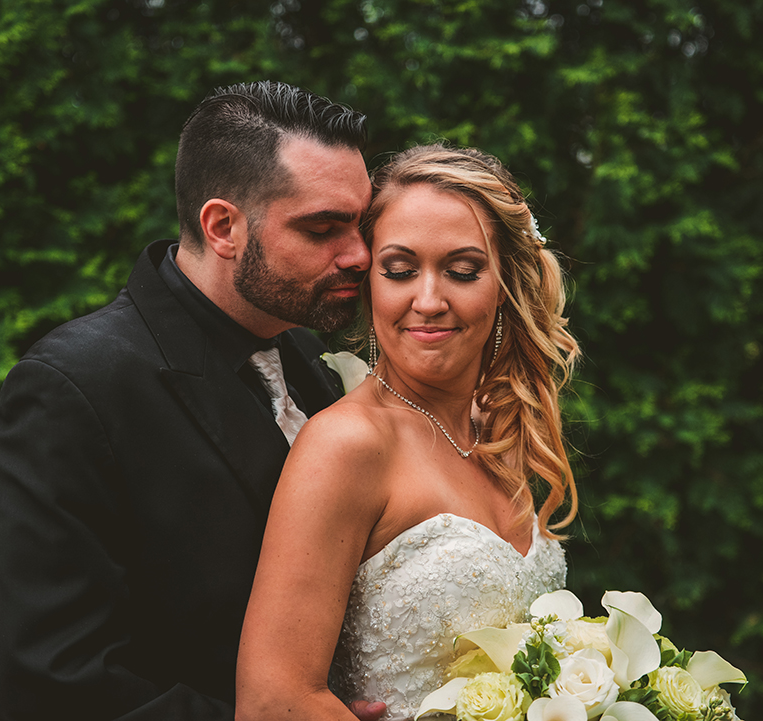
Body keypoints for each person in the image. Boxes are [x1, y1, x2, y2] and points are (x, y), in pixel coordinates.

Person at [0, 80, 386, 720]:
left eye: (361, 223)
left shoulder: (307, 359)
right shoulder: (72, 389)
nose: (359, 255)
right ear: (222, 226)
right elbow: (50, 681)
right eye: (324, 228)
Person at [234, 144, 581, 721]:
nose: (428, 301)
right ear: (369, 283)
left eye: (463, 271)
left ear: (504, 284)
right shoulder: (346, 446)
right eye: (399, 271)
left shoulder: (496, 433)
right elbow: (274, 701)